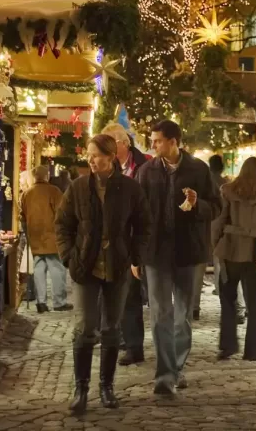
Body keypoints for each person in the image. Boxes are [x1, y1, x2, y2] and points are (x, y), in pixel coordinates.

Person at [55, 134, 151, 414]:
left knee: (112, 328)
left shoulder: (130, 189)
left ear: (111, 157)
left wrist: (135, 255)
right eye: (89, 154)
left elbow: (144, 225)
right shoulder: (78, 187)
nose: (91, 159)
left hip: (117, 267)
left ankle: (106, 387)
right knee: (85, 328)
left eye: (96, 155)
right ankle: (81, 388)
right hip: (85, 266)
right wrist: (68, 257)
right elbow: (62, 224)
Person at [136, 120, 221, 395]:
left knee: (183, 314)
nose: (153, 145)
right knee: (160, 313)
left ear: (174, 142)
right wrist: (135, 255)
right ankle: (164, 375)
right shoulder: (146, 172)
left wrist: (199, 205)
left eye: (158, 141)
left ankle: (177, 367)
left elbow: (217, 208)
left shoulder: (198, 170)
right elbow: (136, 215)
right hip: (156, 253)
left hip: (188, 252)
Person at [212, 157, 256, 361]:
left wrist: (216, 245)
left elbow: (218, 222)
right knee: (255, 304)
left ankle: (228, 345)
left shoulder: (227, 190)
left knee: (227, 299)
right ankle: (252, 351)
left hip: (230, 250)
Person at [101, 123, 151, 366]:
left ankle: (133, 346)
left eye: (109, 142)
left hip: (135, 239)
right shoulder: (103, 167)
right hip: (109, 241)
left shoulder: (145, 165)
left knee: (131, 295)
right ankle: (117, 338)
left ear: (123, 143)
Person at [21, 165, 69, 313]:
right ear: (47, 176)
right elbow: (62, 213)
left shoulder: (27, 194)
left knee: (39, 269)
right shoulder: (53, 191)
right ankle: (59, 302)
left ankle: (41, 302)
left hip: (35, 236)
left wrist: (27, 231)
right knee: (57, 268)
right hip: (52, 236)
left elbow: (22, 216)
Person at [208, 154, 246, 324]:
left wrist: (214, 240)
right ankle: (240, 309)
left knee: (223, 273)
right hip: (242, 240)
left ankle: (231, 311)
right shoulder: (229, 185)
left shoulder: (215, 186)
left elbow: (218, 219)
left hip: (223, 237)